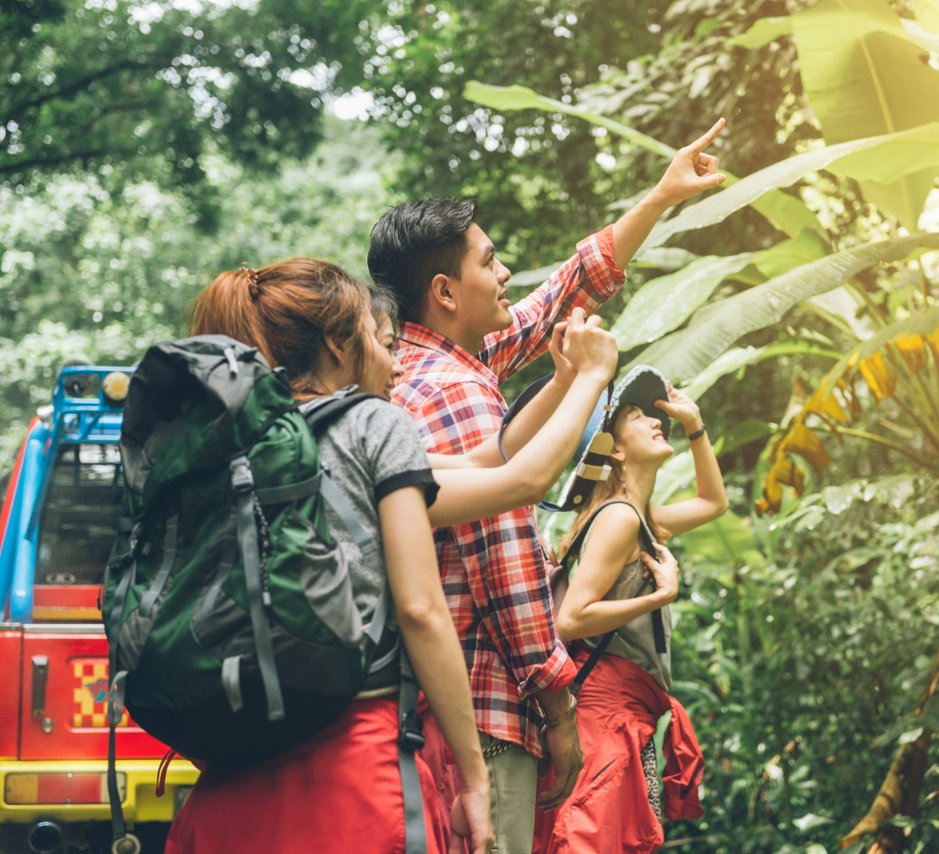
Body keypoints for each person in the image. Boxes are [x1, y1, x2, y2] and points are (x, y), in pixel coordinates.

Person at [166, 257, 617, 853]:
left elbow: (489, 462)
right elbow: (505, 506)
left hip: (227, 787)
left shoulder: (231, 449)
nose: (397, 364)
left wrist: (559, 383)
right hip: (346, 775)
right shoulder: (369, 428)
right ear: (336, 344)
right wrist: (591, 379)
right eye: (380, 343)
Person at [366, 119, 727, 852]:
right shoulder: (459, 392)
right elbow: (506, 562)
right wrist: (558, 709)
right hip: (489, 716)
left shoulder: (429, 363)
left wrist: (659, 197)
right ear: (444, 291)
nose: (507, 277)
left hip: (431, 708)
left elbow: (561, 293)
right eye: (491, 263)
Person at [533, 366, 728, 853]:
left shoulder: (638, 519)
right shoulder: (619, 518)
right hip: (604, 709)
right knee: (586, 839)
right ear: (615, 450)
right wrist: (658, 597)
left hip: (623, 712)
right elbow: (570, 619)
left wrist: (696, 426)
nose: (654, 421)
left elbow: (712, 502)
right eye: (638, 416)